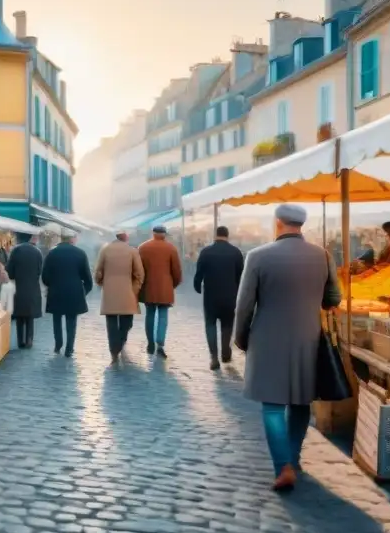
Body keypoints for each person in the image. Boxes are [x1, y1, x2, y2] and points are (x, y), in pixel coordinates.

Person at [234, 204, 340, 492]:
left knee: (272, 406)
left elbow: (244, 306)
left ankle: (283, 467)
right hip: (308, 337)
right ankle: (293, 458)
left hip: (268, 338)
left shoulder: (257, 256)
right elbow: (334, 298)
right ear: (300, 225)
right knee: (301, 401)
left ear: (278, 223)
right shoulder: (322, 256)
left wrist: (241, 338)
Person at [194, 226, 244, 370]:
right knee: (227, 325)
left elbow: (199, 273)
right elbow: (241, 276)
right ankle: (226, 352)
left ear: (215, 235)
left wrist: (197, 287)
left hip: (211, 296)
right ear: (227, 236)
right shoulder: (236, 252)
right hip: (230, 296)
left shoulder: (206, 252)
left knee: (210, 325)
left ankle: (214, 357)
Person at [95, 232, 145, 365]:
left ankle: (114, 350)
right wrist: (134, 290)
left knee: (111, 323)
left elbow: (98, 271)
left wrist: (102, 284)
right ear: (126, 238)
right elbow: (139, 273)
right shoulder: (132, 251)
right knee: (127, 321)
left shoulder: (105, 250)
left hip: (110, 291)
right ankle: (121, 341)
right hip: (127, 291)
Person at [41, 231, 93, 357]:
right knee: (71, 320)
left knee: (56, 319)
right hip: (74, 292)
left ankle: (58, 344)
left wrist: (51, 286)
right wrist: (83, 292)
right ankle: (69, 348)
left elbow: (45, 276)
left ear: (62, 238)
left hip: (56, 291)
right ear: (73, 239)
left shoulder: (52, 253)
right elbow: (87, 278)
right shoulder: (80, 253)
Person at [137, 225, 183, 357]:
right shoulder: (171, 248)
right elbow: (177, 272)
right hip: (165, 288)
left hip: (148, 287)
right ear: (164, 234)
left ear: (153, 233)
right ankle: (160, 343)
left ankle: (150, 342)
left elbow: (138, 269)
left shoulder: (142, 247)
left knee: (150, 315)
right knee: (163, 316)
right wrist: (171, 285)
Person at [7, 232, 43, 349]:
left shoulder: (15, 251)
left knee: (19, 316)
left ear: (18, 238)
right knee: (30, 316)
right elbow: (39, 271)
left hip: (19, 288)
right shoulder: (37, 252)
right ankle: (29, 340)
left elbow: (10, 273)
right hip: (33, 288)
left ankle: (20, 341)